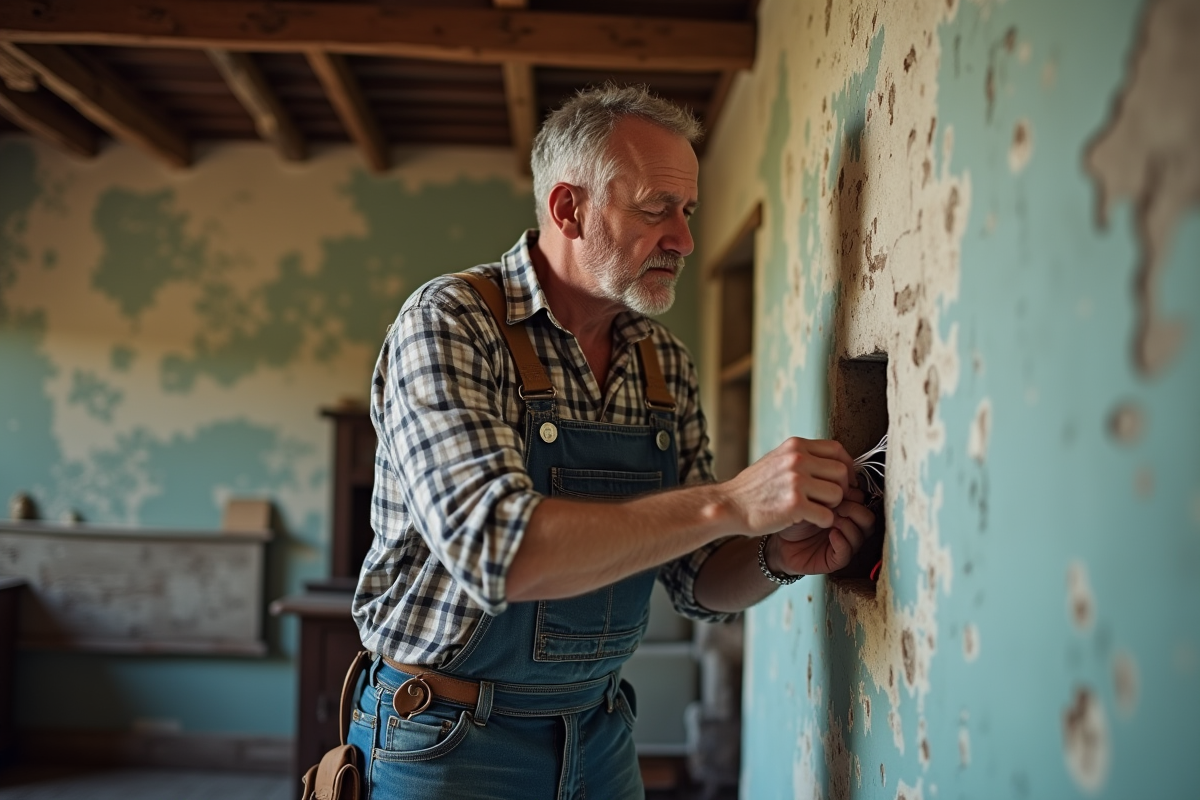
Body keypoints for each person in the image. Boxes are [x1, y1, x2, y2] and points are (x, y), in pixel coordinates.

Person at [349, 84, 875, 799]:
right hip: (444, 741)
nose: (684, 240)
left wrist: (774, 556)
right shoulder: (450, 324)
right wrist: (727, 502)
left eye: (686, 213)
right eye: (657, 209)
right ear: (569, 208)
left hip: (599, 735)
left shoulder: (666, 365)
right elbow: (502, 554)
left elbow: (694, 581)